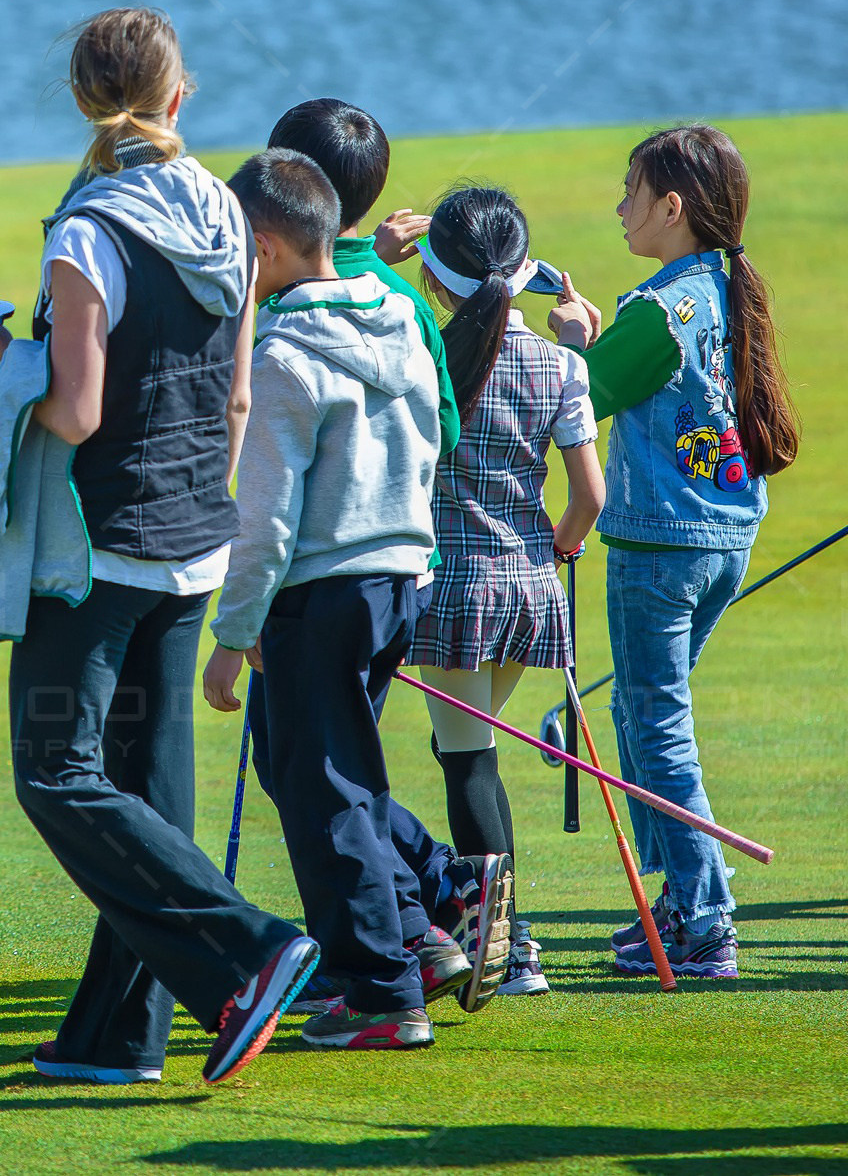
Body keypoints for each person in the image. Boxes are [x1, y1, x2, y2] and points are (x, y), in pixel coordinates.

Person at [0, 8, 318, 1087]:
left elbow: (75, 409)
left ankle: (248, 947)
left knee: (57, 774)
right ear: (177, 96)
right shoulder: (233, 220)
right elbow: (235, 395)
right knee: (145, 791)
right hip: (195, 537)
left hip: (97, 553)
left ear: (78, 99)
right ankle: (119, 1035)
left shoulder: (87, 228)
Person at [201, 149, 454, 1050]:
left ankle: (382, 990)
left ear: (264, 247)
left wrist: (232, 634)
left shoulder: (280, 356)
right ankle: (401, 954)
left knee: (325, 795)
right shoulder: (402, 317)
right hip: (400, 580)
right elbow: (427, 453)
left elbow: (264, 519)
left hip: (321, 590)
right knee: (345, 777)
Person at [550, 124, 797, 980]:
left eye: (630, 193)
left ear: (671, 206)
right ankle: (680, 901)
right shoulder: (721, 288)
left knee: (657, 727)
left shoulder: (660, 307)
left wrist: (573, 338)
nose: (619, 208)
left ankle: (703, 914)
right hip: (727, 531)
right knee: (645, 715)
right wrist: (591, 333)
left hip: (661, 544)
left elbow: (586, 391)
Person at [407, 184, 606, 998]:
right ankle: (498, 935)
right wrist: (556, 547)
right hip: (532, 590)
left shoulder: (426, 357)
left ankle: (510, 948)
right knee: (470, 754)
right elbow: (589, 498)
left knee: (468, 763)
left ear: (435, 279)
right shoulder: (561, 364)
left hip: (454, 590)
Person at [267, 99, 460, 457]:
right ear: (375, 187)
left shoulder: (266, 293)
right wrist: (373, 260)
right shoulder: (407, 303)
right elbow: (444, 432)